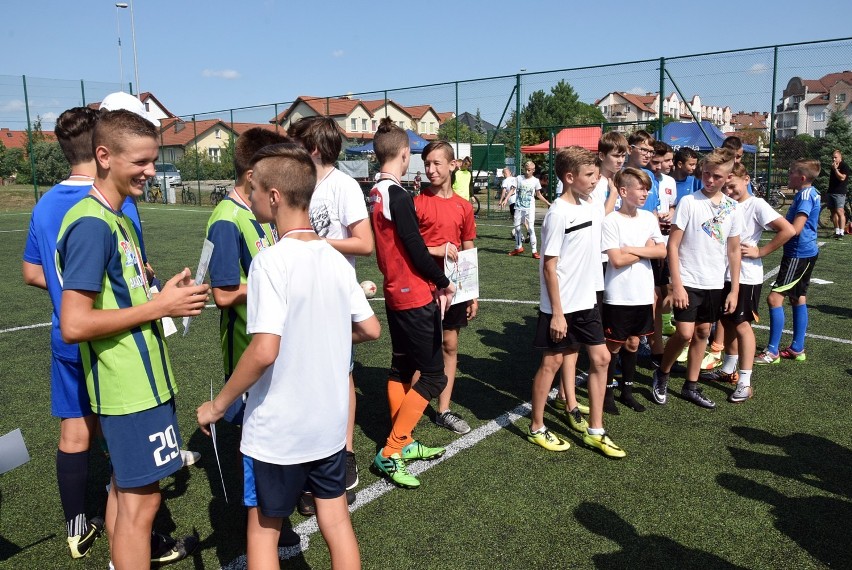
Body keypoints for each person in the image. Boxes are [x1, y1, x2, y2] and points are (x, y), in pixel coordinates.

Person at [22, 106, 197, 564]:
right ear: (103, 156)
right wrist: (160, 306)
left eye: (152, 159)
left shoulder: (116, 215)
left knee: (128, 497)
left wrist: (162, 292)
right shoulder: (92, 224)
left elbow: (118, 295)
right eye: (139, 161)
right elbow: (75, 323)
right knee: (142, 504)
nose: (150, 170)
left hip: (141, 384)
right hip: (126, 390)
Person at [197, 143, 378, 570]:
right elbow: (370, 328)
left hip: (278, 432)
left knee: (262, 531)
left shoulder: (270, 263)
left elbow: (264, 349)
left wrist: (217, 406)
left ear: (274, 195)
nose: (251, 195)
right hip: (328, 426)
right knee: (336, 521)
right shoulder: (335, 259)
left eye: (255, 187)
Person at [288, 115, 374, 495]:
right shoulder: (297, 184)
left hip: (333, 296)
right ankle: (309, 456)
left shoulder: (343, 187)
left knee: (340, 375)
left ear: (314, 149)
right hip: (299, 295)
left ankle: (345, 454)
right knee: (305, 374)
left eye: (296, 143)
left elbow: (364, 243)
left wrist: (317, 244)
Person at [368, 118, 456, 489]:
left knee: (401, 369)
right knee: (434, 376)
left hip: (394, 292)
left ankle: (401, 445)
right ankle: (392, 450)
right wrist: (442, 281)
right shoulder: (398, 195)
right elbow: (414, 247)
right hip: (413, 294)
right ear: (404, 154)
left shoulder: (375, 192)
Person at [528, 146, 625, 459]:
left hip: (587, 303)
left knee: (600, 360)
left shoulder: (590, 204)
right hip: (562, 306)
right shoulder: (558, 213)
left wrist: (612, 175)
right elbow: (549, 266)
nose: (594, 180)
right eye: (588, 175)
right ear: (569, 178)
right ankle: (537, 426)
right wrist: (557, 313)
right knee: (551, 363)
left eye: (595, 175)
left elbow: (606, 207)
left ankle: (596, 430)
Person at [206, 127, 288, 426]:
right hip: (248, 350)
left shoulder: (262, 210)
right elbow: (223, 294)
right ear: (253, 174)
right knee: (255, 442)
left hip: (275, 344)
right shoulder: (227, 220)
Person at [651, 148, 743, 410]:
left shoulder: (733, 208)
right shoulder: (689, 202)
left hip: (714, 282)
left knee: (703, 332)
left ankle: (691, 386)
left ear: (726, 178)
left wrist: (734, 289)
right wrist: (677, 284)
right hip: (688, 280)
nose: (710, 180)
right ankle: (663, 373)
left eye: (716, 176)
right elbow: (673, 246)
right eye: (706, 175)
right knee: (684, 332)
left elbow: (734, 250)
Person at [702, 163, 795, 402]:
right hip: (722, 274)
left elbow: (788, 230)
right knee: (727, 321)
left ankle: (745, 382)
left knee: (742, 325)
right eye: (727, 186)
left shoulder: (757, 204)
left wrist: (761, 251)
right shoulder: (726, 204)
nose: (730, 191)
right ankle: (728, 369)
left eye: (733, 186)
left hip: (745, 276)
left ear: (747, 180)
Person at [414, 140, 478, 435]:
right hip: (421, 287)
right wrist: (436, 249)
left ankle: (444, 410)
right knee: (421, 350)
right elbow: (407, 246)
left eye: (437, 163)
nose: (431, 169)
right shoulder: (416, 202)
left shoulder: (463, 207)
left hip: (453, 290)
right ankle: (411, 411)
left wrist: (471, 292)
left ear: (453, 165)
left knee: (450, 345)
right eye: (427, 163)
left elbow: (467, 248)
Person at [601, 168, 666, 413]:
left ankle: (626, 392)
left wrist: (632, 249)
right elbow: (616, 260)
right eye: (640, 188)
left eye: (647, 188)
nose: (645, 193)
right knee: (614, 346)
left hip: (642, 293)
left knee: (633, 344)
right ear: (624, 191)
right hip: (618, 295)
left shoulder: (649, 218)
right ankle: (607, 394)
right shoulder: (611, 221)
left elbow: (662, 252)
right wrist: (645, 249)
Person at [755, 159, 822, 365]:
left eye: (791, 173)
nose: (788, 176)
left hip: (798, 254)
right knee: (798, 297)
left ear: (801, 178)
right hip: (806, 251)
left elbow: (796, 229)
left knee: (774, 299)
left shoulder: (804, 196)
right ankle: (797, 348)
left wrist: (777, 228)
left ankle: (772, 351)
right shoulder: (812, 192)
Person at [647, 141, 677, 366]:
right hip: (643, 246)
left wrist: (669, 215)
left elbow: (671, 205)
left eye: (665, 161)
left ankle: (655, 347)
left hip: (663, 245)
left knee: (661, 293)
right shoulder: (642, 179)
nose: (661, 166)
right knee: (651, 297)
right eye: (656, 161)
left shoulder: (669, 182)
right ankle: (646, 343)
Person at [508, 161, 550, 258]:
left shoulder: (535, 181)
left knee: (531, 228)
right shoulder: (518, 178)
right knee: (517, 228)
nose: (527, 172)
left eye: (529, 170)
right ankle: (518, 247)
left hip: (529, 208)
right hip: (518, 207)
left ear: (533, 170)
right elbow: (512, 190)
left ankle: (534, 251)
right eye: (525, 169)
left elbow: (538, 195)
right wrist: (506, 199)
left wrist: (547, 202)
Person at [499, 167, 526, 241]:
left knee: (515, 220)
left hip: (512, 201)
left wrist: (501, 200)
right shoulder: (516, 179)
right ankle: (527, 234)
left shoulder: (505, 181)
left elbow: (504, 191)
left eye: (505, 172)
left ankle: (521, 236)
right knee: (522, 218)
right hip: (520, 201)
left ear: (504, 174)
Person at [827, 149, 849, 240]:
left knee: (840, 212)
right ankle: (836, 231)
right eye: (833, 157)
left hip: (840, 193)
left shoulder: (844, 166)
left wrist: (836, 169)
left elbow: (842, 178)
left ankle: (841, 232)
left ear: (840, 158)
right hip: (831, 191)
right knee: (833, 212)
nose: (833, 159)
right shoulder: (832, 166)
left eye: (835, 157)